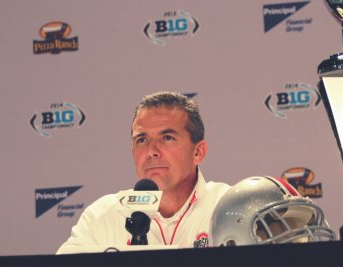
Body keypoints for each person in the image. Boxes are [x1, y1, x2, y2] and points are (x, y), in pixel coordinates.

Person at [57, 91, 229, 253]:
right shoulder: (103, 216)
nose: (151, 151)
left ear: (198, 152)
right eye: (142, 140)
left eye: (167, 138)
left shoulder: (229, 207)